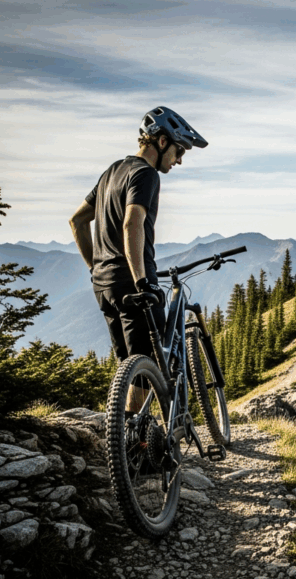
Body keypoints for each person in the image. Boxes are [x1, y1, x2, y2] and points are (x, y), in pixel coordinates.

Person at [69, 107, 208, 386]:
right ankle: (137, 428)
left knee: (130, 367)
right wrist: (143, 281)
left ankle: (124, 426)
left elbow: (77, 221)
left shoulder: (112, 171)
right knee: (148, 368)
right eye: (179, 151)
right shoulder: (146, 174)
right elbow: (132, 223)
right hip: (132, 282)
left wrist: (95, 268)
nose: (179, 160)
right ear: (161, 141)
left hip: (104, 286)